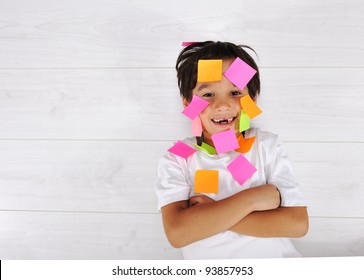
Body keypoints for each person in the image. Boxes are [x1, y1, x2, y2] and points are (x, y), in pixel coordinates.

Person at [154, 41, 309, 259]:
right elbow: (178, 233)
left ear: (252, 100)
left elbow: (297, 224)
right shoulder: (178, 158)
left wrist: (208, 215)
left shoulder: (266, 146)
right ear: (188, 103)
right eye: (208, 94)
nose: (222, 105)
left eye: (235, 92)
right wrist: (253, 199)